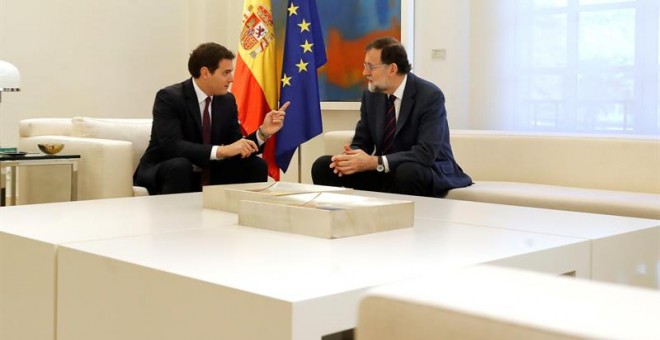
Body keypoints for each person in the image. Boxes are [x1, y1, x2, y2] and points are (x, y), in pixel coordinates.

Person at [311, 37, 472, 197]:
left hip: (426, 169)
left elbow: (426, 153)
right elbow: (362, 141)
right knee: (325, 166)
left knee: (407, 172)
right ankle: (344, 220)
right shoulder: (371, 95)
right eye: (364, 66)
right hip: (384, 169)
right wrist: (351, 158)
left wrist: (376, 162)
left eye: (371, 67)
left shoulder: (430, 95)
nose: (364, 73)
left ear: (392, 69)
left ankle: (400, 221)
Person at [134, 42, 289, 194]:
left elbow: (235, 145)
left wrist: (263, 133)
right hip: (167, 168)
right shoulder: (169, 97)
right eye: (225, 73)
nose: (232, 79)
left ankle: (246, 216)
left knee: (255, 165)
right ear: (206, 73)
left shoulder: (227, 100)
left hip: (209, 169)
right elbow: (172, 146)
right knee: (180, 165)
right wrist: (221, 151)